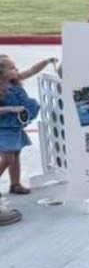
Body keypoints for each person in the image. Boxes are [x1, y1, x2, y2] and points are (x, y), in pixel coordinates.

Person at [0, 54, 50, 196]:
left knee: (16, 155)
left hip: (16, 127)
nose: (16, 70)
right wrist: (11, 109)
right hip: (4, 129)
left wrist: (46, 61)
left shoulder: (15, 81)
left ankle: (15, 184)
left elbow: (32, 70)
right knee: (7, 158)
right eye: (11, 68)